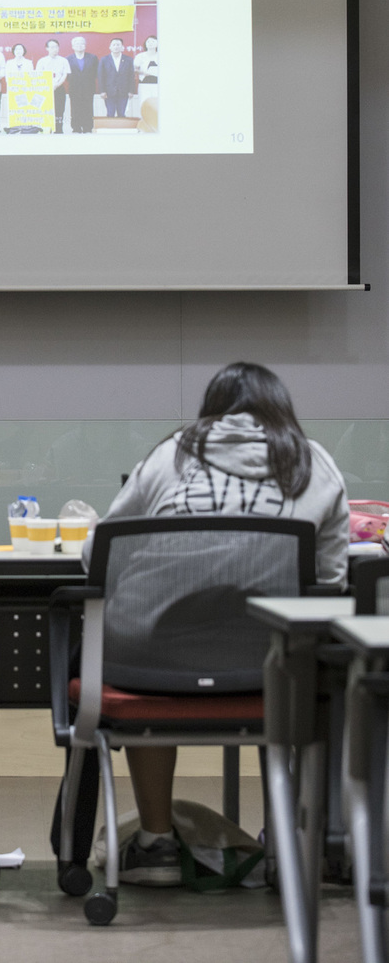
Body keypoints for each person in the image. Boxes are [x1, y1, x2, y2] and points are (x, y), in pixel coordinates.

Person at [84, 361, 349, 887]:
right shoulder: (315, 463)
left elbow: (100, 555)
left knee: (143, 662)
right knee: (323, 673)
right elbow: (330, 584)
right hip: (267, 668)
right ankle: (292, 842)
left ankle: (156, 845)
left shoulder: (171, 454)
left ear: (211, 411)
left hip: (152, 663)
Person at [65, 35, 99, 133]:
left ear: (85, 45)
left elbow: (96, 73)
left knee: (88, 108)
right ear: (72, 46)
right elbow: (66, 74)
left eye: (82, 43)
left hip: (88, 87)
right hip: (74, 88)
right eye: (77, 43)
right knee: (75, 108)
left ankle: (88, 127)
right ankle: (76, 128)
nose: (79, 45)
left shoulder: (92, 57)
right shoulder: (67, 59)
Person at [35, 37, 68, 134]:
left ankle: (58, 130)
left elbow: (64, 74)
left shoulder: (63, 60)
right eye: (52, 47)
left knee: (59, 110)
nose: (55, 49)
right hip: (45, 89)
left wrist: (57, 85)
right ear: (47, 48)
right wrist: (47, 86)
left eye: (57, 47)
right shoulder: (42, 61)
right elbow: (38, 75)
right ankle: (47, 129)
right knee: (46, 110)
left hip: (59, 88)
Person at [98, 36, 136, 118]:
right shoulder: (104, 59)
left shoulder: (128, 60)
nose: (116, 47)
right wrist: (102, 91)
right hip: (109, 92)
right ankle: (109, 130)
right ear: (110, 47)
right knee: (110, 114)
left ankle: (121, 130)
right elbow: (101, 76)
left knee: (122, 114)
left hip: (124, 91)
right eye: (114, 45)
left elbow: (131, 76)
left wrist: (131, 91)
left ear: (122, 47)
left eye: (118, 45)